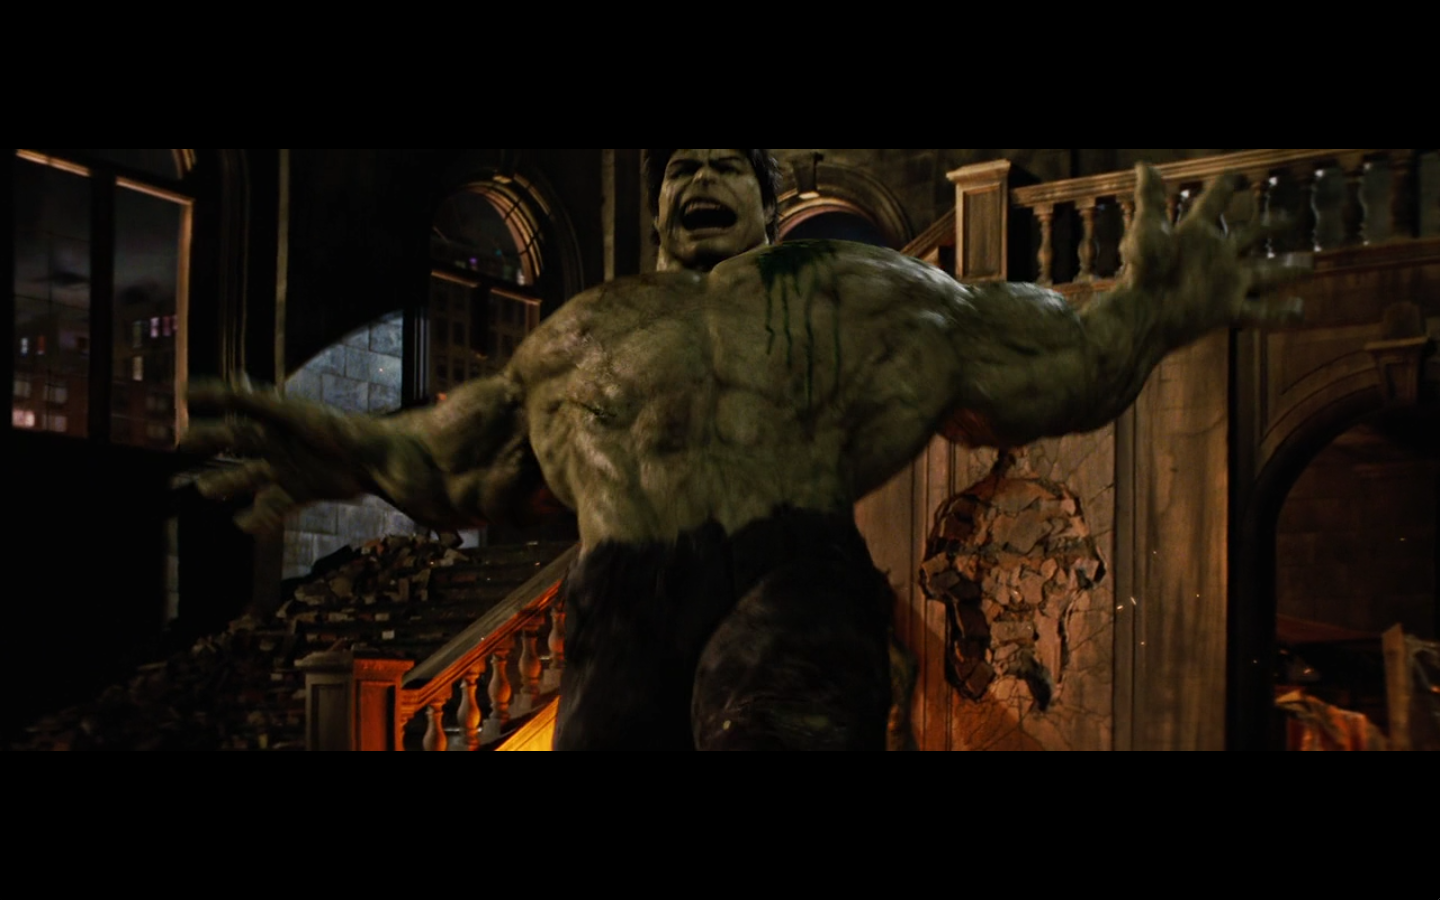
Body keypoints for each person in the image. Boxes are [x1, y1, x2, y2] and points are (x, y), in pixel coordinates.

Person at [182, 149, 1307, 750]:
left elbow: (1032, 364)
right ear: (658, 211)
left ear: (772, 207)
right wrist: (345, 448)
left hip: (791, 573)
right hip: (624, 599)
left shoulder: (853, 288)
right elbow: (463, 456)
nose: (702, 180)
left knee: (778, 711)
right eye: (683, 168)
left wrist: (1143, 320)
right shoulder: (583, 335)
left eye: (728, 165)